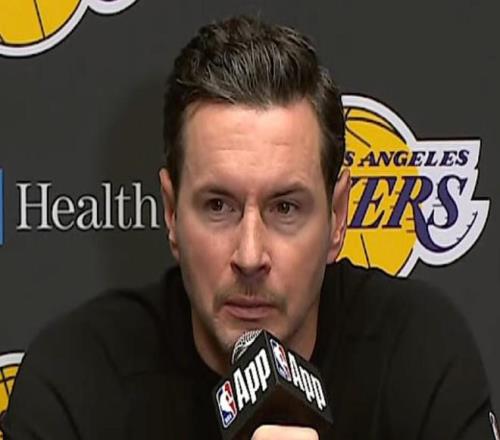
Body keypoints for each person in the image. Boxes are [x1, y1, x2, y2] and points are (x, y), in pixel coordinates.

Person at [1, 15, 494, 440]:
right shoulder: (78, 381)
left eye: (285, 208)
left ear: (337, 216)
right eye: (218, 206)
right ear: (171, 213)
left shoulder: (417, 355)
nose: (251, 255)